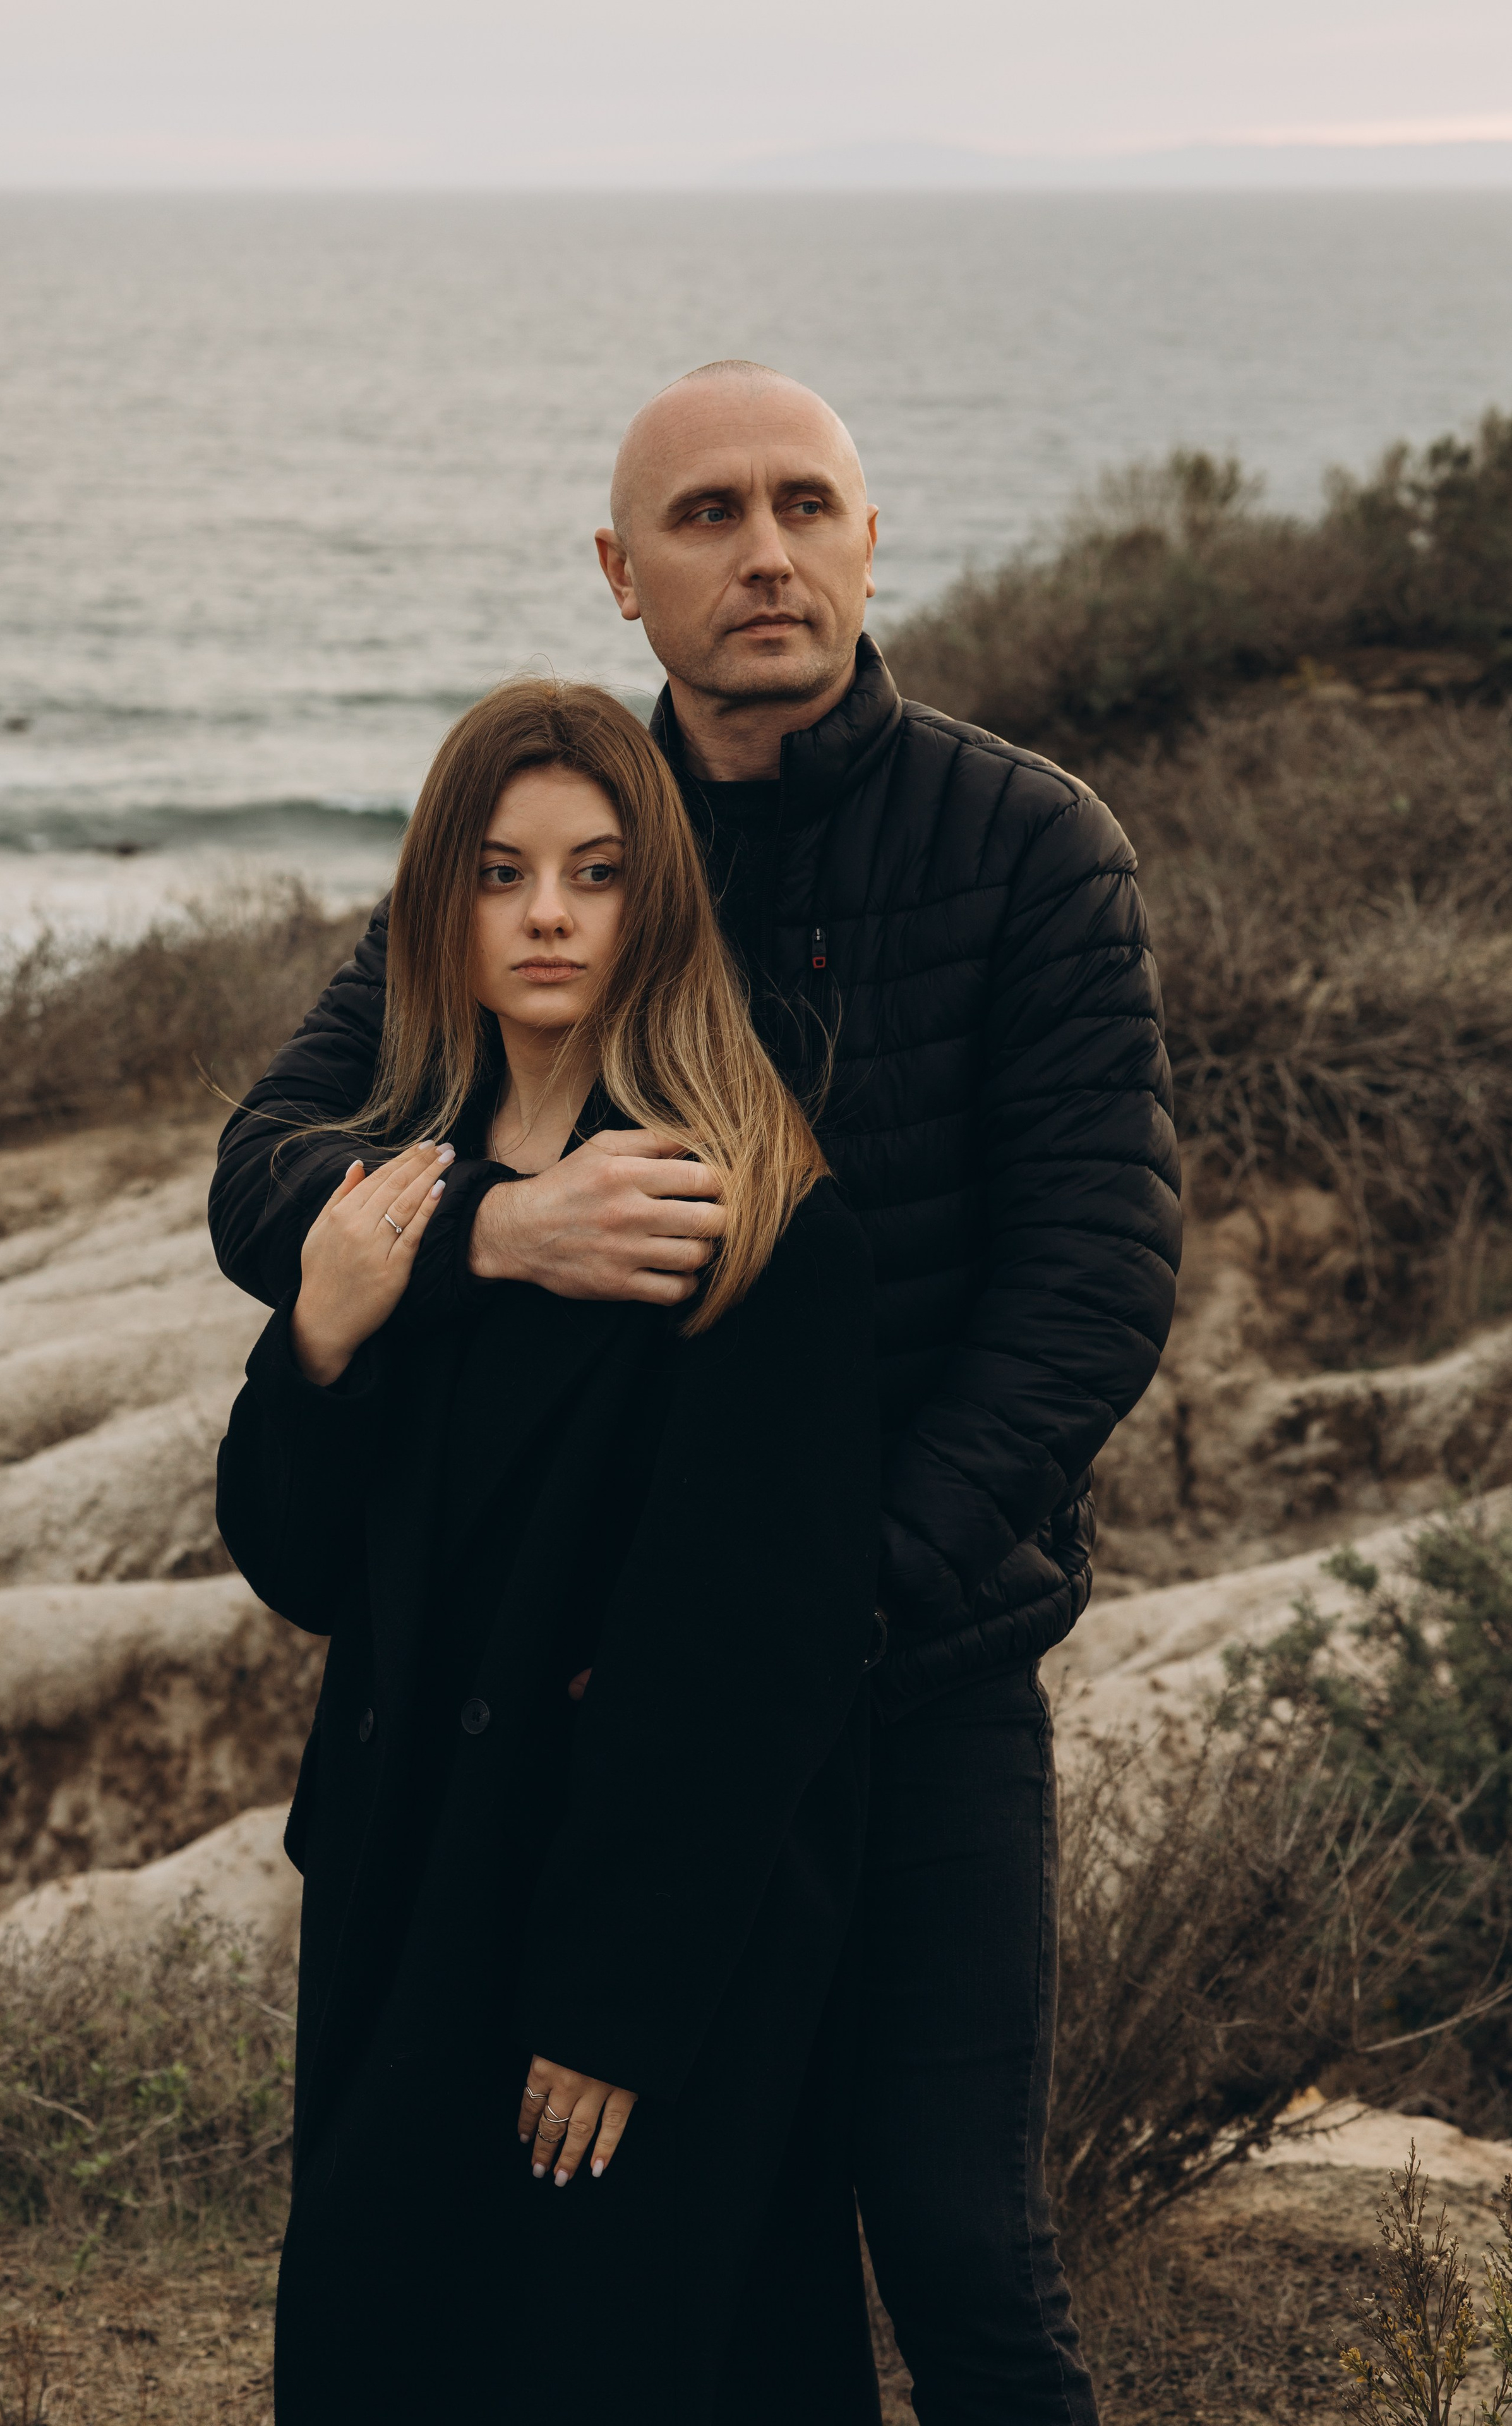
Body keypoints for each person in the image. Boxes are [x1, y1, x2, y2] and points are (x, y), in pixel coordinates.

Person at [210, 361, 1182, 2425]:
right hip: (581, 1730)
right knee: (655, 2264)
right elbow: (273, 1163)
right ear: (619, 573)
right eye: (710, 517)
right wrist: (493, 1223)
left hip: (911, 1678)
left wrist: (791, 1624)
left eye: (807, 506)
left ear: (869, 538)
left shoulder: (1030, 849)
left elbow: (1092, 1294)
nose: (767, 554)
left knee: (951, 2242)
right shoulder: (583, 838)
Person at [215, 677, 882, 2425]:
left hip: (619, 1928)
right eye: (502, 874)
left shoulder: (745, 1208)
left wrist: (618, 2005)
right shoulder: (406, 1196)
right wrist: (328, 1340)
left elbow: (752, 1653)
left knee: (614, 2358)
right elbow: (299, 1566)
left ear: (652, 898)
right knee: (384, 2348)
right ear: (441, 903)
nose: (547, 916)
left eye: (592, 873)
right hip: (405, 1880)